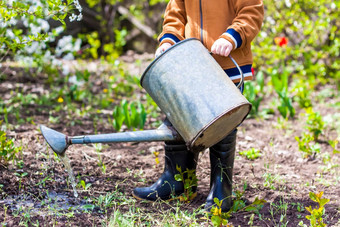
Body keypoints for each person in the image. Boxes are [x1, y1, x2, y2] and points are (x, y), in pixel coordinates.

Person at [133, 0, 264, 212]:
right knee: (178, 117)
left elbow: (252, 12)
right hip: (190, 62)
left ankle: (222, 188)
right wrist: (169, 40)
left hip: (226, 62)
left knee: (222, 123)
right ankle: (176, 181)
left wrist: (232, 36)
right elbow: (176, 15)